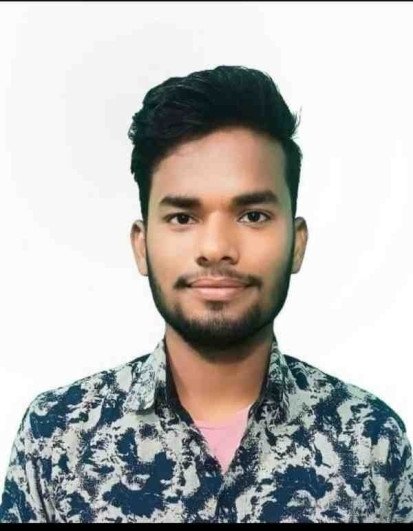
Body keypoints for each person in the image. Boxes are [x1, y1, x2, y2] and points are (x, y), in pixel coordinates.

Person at [0, 65, 412, 524]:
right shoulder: (57, 438)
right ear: (141, 245)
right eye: (182, 218)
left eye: (253, 215)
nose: (215, 248)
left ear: (297, 243)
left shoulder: (371, 443)